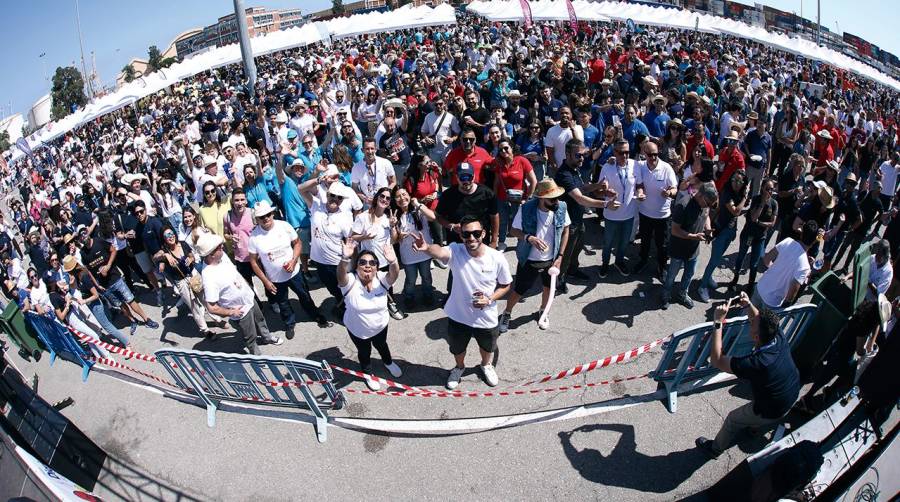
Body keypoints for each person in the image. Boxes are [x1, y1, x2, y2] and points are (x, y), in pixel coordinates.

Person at [695, 291, 800, 459]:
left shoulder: (757, 363)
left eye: (751, 324)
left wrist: (717, 323)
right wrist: (748, 305)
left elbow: (717, 360)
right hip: (790, 393)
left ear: (756, 336)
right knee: (760, 408)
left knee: (732, 419)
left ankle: (714, 449)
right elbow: (759, 317)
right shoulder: (776, 334)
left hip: (772, 407)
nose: (750, 321)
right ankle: (753, 427)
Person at [412, 216, 512, 389]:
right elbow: (440, 251)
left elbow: (506, 285)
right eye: (467, 234)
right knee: (457, 349)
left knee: (488, 347)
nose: (471, 238)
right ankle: (459, 368)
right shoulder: (456, 251)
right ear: (461, 236)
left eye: (476, 233)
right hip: (458, 315)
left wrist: (489, 299)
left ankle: (486, 365)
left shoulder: (496, 258)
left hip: (486, 316)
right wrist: (427, 248)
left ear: (484, 233)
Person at [248, 200, 332, 339]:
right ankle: (289, 323)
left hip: (294, 272)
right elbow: (253, 261)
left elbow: (297, 243)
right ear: (257, 219)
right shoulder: (254, 237)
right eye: (261, 217)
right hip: (275, 278)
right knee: (283, 303)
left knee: (304, 295)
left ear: (272, 213)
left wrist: (293, 261)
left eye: (268, 214)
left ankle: (315, 314)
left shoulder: (284, 226)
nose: (266, 218)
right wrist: (266, 281)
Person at [499, 179, 569, 332]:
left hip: (551, 260)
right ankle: (507, 313)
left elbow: (565, 231)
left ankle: (543, 311)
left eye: (557, 197)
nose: (556, 201)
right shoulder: (526, 209)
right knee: (519, 290)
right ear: (542, 198)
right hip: (529, 259)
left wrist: (560, 256)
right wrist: (529, 238)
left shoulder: (561, 207)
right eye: (552, 199)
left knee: (548, 288)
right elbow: (513, 230)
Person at [198, 233, 283, 355]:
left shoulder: (222, 256)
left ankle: (267, 337)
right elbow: (211, 307)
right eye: (218, 247)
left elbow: (235, 272)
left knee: (260, 320)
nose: (222, 246)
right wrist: (231, 312)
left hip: (249, 297)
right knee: (250, 336)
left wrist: (247, 287)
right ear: (211, 254)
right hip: (240, 310)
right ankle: (257, 355)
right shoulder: (208, 276)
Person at [336, 239, 402, 391]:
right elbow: (340, 275)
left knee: (382, 345)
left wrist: (393, 262)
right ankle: (367, 374)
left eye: (372, 263)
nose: (367, 265)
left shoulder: (381, 278)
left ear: (377, 268)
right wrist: (345, 258)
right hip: (358, 330)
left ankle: (388, 363)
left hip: (380, 326)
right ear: (357, 266)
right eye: (363, 262)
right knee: (364, 352)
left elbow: (394, 275)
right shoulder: (350, 281)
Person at [661, 182, 718, 310]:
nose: (708, 206)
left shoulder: (705, 205)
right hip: (678, 249)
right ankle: (666, 293)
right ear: (700, 195)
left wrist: (708, 228)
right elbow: (675, 230)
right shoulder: (683, 205)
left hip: (693, 250)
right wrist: (693, 236)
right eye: (707, 203)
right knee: (671, 275)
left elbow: (706, 214)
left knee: (689, 274)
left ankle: (682, 294)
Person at [699, 170, 749, 302]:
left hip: (730, 231)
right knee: (715, 259)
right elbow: (736, 211)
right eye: (734, 180)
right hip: (720, 230)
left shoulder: (739, 193)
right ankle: (702, 287)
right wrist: (745, 197)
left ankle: (708, 277)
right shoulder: (727, 193)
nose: (736, 183)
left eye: (739, 181)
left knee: (718, 258)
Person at [597, 139, 643, 277]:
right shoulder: (607, 167)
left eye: (627, 152)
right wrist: (606, 191)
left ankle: (619, 261)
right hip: (611, 214)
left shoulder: (635, 165)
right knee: (607, 243)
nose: (625, 156)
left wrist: (640, 192)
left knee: (623, 243)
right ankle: (605, 264)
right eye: (621, 153)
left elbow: (639, 184)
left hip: (629, 214)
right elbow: (598, 190)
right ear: (614, 152)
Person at [155, 224, 212, 337]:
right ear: (164, 239)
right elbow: (155, 257)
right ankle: (205, 330)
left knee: (206, 299)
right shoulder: (164, 251)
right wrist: (166, 255)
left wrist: (190, 259)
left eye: (171, 234)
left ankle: (217, 319)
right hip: (181, 282)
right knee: (193, 307)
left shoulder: (183, 243)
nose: (170, 237)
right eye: (167, 235)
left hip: (193, 276)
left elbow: (191, 255)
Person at [635, 142, 678, 279]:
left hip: (662, 215)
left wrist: (669, 193)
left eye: (655, 154)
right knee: (645, 241)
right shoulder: (640, 166)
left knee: (662, 244)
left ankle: (662, 267)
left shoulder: (666, 168)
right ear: (644, 154)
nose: (653, 157)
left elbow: (674, 188)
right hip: (645, 213)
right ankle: (643, 261)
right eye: (650, 155)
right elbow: (625, 163)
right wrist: (612, 161)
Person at [754, 220, 818, 310]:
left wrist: (776, 268)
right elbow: (791, 295)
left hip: (761, 286)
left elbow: (766, 259)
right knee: (760, 324)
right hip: (772, 302)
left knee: (744, 320)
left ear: (802, 233)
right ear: (814, 241)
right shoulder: (805, 266)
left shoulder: (787, 241)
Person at [392, 185, 438, 309]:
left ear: (409, 195)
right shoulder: (395, 216)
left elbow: (433, 217)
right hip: (408, 255)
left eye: (404, 194)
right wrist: (397, 233)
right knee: (410, 280)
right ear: (395, 201)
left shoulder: (418, 210)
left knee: (426, 276)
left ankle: (428, 294)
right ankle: (409, 296)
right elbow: (393, 240)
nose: (402, 198)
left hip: (424, 253)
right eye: (397, 196)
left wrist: (418, 203)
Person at [729, 177, 778, 292]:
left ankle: (750, 286)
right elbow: (753, 217)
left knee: (754, 263)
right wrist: (762, 203)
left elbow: (772, 223)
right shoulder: (756, 199)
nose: (770, 192)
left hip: (760, 237)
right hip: (748, 234)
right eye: (767, 189)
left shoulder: (774, 203)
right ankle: (735, 279)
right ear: (762, 188)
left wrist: (760, 223)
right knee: (741, 257)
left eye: (772, 189)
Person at [492, 137, 537, 250]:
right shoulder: (499, 164)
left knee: (519, 222)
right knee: (503, 221)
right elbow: (496, 182)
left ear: (512, 147)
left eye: (506, 148)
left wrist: (528, 198)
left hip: (519, 199)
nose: (503, 151)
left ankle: (520, 242)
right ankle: (502, 243)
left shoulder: (521, 161)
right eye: (500, 149)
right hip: (502, 198)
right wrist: (494, 197)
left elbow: (533, 181)